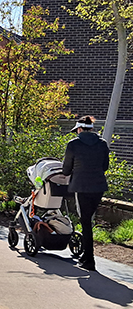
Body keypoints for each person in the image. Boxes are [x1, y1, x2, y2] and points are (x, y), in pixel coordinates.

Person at [62, 115, 109, 271]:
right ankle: (86, 256)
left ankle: (89, 259)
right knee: (88, 220)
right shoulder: (102, 144)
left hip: (81, 186)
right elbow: (105, 166)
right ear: (92, 129)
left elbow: (66, 169)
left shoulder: (73, 144)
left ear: (80, 129)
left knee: (85, 221)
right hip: (98, 187)